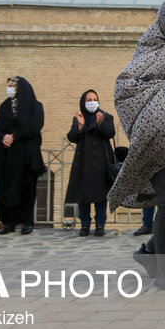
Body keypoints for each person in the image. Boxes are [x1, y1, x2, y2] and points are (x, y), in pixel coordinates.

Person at [109, 0, 165, 292]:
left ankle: (148, 252)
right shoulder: (147, 48)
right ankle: (163, 269)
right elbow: (124, 88)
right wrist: (163, 87)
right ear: (164, 18)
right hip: (151, 140)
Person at [0, 77, 45, 235]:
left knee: (27, 190)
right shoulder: (5, 106)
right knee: (9, 189)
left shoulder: (35, 107)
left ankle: (27, 222)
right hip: (8, 156)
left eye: (13, 86)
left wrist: (15, 135)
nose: (10, 88)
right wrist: (3, 136)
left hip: (27, 157)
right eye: (9, 86)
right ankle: (9, 222)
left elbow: (34, 127)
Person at [65, 89, 116, 237]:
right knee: (83, 197)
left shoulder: (105, 116)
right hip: (83, 163)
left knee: (101, 197)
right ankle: (85, 225)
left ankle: (100, 225)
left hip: (101, 163)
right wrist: (80, 127)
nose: (92, 102)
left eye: (95, 99)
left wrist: (101, 124)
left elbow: (110, 133)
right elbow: (72, 137)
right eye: (89, 100)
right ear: (83, 102)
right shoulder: (80, 117)